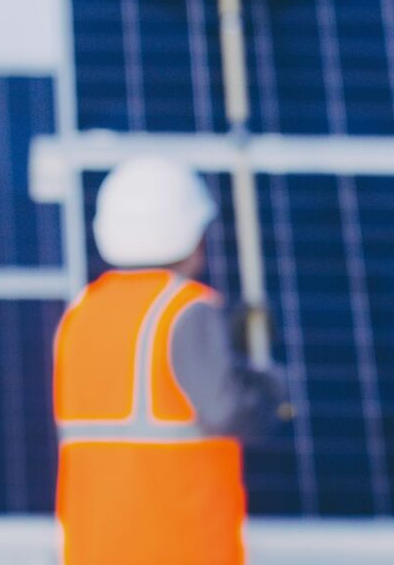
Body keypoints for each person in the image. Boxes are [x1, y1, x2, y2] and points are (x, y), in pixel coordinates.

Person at [53, 156, 284, 565]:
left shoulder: (83, 312)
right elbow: (226, 410)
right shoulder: (186, 309)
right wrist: (270, 392)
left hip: (93, 550)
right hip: (178, 547)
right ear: (194, 236)